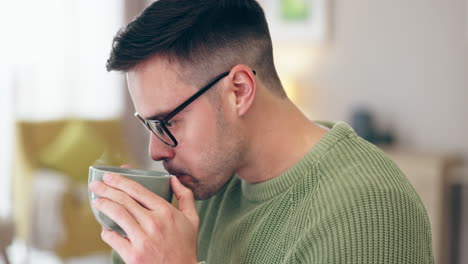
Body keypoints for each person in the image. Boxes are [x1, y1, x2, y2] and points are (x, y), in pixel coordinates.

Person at [89, 0, 434, 263]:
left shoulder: (367, 209)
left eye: (167, 122)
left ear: (239, 90)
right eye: (149, 125)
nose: (156, 151)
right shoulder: (202, 188)